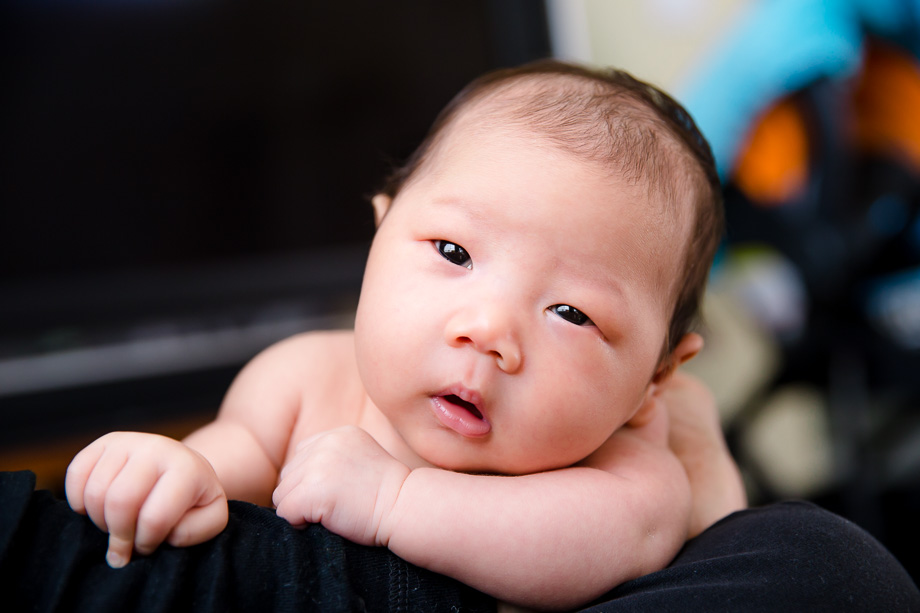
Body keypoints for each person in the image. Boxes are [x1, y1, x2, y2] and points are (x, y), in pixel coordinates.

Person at [64, 60, 742, 611]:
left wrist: (395, 501)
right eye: (453, 252)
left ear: (656, 379)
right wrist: (168, 471)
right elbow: (222, 468)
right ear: (380, 230)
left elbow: (606, 539)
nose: (487, 331)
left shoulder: (623, 476)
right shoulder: (302, 379)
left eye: (570, 313)